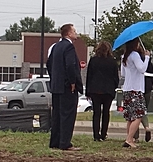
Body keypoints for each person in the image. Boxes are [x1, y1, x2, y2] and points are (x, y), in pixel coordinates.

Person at [46, 23, 83, 151]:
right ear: (68, 33)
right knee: (67, 115)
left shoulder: (56, 47)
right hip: (67, 87)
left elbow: (49, 64)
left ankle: (55, 142)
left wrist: (55, 78)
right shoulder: (69, 47)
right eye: (74, 30)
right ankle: (65, 143)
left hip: (56, 86)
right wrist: (73, 82)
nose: (76, 33)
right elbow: (70, 66)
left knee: (56, 115)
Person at [85, 41, 120, 141]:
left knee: (96, 113)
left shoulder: (93, 60)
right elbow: (115, 77)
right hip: (108, 91)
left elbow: (89, 76)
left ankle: (96, 135)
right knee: (106, 113)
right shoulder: (112, 61)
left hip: (95, 90)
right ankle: (104, 134)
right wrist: (114, 87)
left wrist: (88, 92)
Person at [120, 39, 150, 148]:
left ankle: (129, 137)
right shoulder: (135, 55)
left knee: (130, 116)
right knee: (139, 115)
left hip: (127, 88)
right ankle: (129, 139)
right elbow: (142, 69)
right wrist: (147, 57)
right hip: (136, 89)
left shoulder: (124, 57)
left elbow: (123, 73)